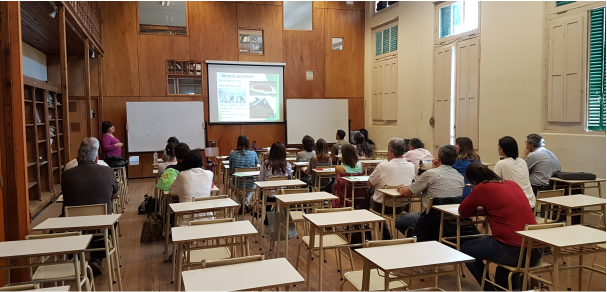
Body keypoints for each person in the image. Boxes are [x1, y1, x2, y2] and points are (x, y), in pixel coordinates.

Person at [459, 163, 542, 292]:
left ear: (473, 182)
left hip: (513, 251)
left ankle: (488, 288)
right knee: (504, 263)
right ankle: (512, 288)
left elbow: (463, 211)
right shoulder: (512, 184)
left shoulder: (481, 188)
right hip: (536, 250)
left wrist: (484, 208)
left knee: (465, 248)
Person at [61, 138, 119, 275]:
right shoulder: (108, 171)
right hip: (100, 224)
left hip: (73, 224)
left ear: (77, 158)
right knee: (109, 220)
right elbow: (115, 195)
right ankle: (96, 258)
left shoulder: (67, 175)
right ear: (97, 158)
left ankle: (75, 256)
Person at [394, 145, 464, 235]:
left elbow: (408, 193)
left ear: (438, 158)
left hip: (430, 218)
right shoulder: (460, 177)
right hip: (452, 219)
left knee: (399, 221)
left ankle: (418, 237)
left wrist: (400, 187)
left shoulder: (430, 174)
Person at [367, 138, 415, 215]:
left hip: (382, 206)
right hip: (402, 204)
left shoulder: (382, 166)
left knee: (371, 195)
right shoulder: (411, 166)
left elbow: (370, 183)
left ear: (390, 151)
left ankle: (378, 225)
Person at [494, 136, 535, 209]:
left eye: (498, 146)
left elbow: (494, 183)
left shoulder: (501, 163)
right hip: (530, 202)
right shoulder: (522, 162)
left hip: (515, 204)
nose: (497, 148)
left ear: (502, 148)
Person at [228, 135, 259, 210]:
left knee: (233, 188)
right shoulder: (253, 153)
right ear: (248, 143)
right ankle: (246, 203)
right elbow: (255, 167)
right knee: (254, 186)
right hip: (250, 182)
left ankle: (244, 203)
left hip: (237, 183)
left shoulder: (232, 153)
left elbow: (231, 169)